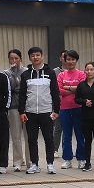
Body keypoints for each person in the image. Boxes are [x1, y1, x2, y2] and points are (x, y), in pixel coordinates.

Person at [18, 46, 60, 175]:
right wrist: (22, 112)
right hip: (30, 112)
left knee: (49, 139)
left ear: (42, 56)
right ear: (29, 58)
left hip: (46, 111)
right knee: (32, 139)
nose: (35, 57)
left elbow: (55, 92)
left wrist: (56, 110)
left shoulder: (50, 73)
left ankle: (50, 164)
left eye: (37, 55)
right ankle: (34, 164)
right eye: (33, 56)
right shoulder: (25, 74)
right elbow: (22, 95)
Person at [57, 50, 88, 168]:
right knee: (66, 135)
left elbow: (82, 89)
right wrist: (73, 89)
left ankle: (81, 158)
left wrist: (67, 87)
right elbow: (59, 90)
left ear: (76, 60)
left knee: (80, 134)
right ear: (65, 60)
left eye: (73, 59)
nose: (70, 62)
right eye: (68, 59)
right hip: (64, 108)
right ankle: (67, 159)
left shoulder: (81, 74)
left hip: (78, 108)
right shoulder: (61, 75)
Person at [5, 49, 31, 171]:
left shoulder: (27, 72)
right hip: (13, 106)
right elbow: (10, 88)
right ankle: (17, 161)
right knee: (16, 136)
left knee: (29, 135)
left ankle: (30, 161)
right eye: (12, 58)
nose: (14, 60)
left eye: (16, 58)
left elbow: (27, 88)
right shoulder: (7, 73)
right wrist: (13, 74)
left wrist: (18, 87)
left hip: (27, 106)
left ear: (20, 59)